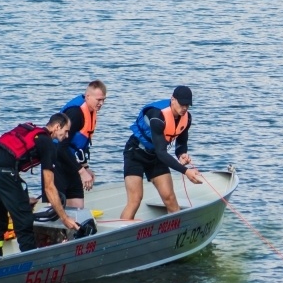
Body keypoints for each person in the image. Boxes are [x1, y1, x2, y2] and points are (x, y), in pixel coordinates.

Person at [0, 113, 78, 255]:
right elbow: (49, 187)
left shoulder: (33, 133)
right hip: (5, 173)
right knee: (24, 223)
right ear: (57, 127)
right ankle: (32, 263)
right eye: (66, 131)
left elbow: (9, 161)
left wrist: (22, 199)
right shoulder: (48, 144)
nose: (66, 136)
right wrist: (64, 218)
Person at [120, 85, 202, 219]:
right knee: (135, 199)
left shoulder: (187, 118)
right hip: (135, 153)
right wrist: (186, 171)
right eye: (182, 104)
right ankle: (120, 236)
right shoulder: (157, 116)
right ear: (173, 99)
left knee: (170, 198)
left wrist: (182, 154)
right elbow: (161, 152)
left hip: (155, 157)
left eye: (188, 105)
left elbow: (181, 143)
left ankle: (176, 234)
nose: (185, 108)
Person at [42, 80, 107, 208]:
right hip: (57, 162)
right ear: (88, 96)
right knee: (57, 208)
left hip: (71, 162)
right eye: (98, 100)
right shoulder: (76, 114)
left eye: (103, 100)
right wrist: (82, 172)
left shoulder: (91, 111)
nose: (101, 104)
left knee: (78, 207)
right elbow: (61, 148)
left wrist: (85, 166)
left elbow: (80, 145)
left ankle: (75, 227)